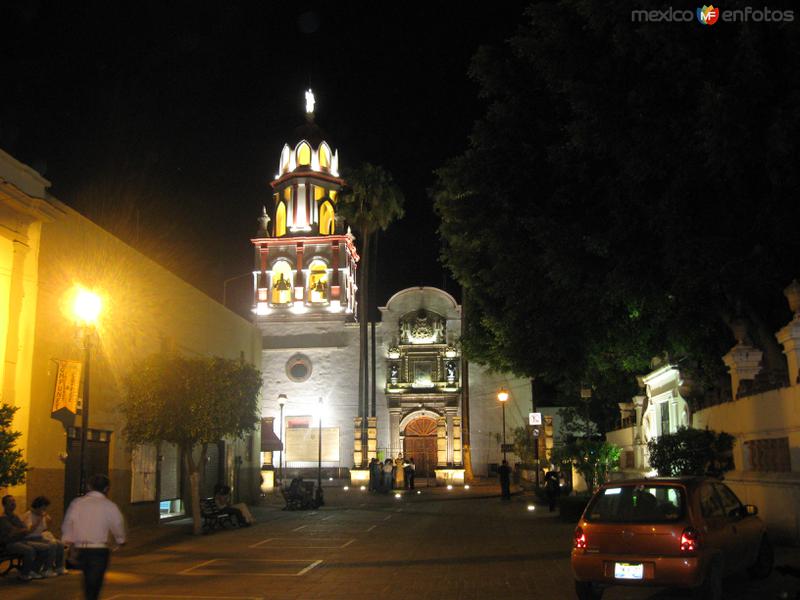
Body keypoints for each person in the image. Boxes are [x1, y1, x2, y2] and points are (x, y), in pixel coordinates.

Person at [62, 474, 126, 599]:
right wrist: (120, 540)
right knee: (95, 582)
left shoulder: (78, 503)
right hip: (98, 549)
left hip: (81, 548)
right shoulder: (108, 505)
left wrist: (68, 541)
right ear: (106, 488)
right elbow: (117, 523)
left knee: (87, 580)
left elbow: (69, 522)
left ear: (89, 486)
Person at [0, 495, 52, 581]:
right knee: (30, 550)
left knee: (46, 548)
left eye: (14, 501)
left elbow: (24, 528)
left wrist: (21, 530)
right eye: (10, 502)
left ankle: (33, 571)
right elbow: (14, 532)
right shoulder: (3, 518)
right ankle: (24, 574)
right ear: (4, 505)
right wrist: (22, 530)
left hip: (21, 541)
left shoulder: (15, 516)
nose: (13, 503)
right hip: (9, 544)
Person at [23, 496, 66, 575]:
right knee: (52, 544)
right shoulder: (28, 515)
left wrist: (47, 520)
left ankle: (59, 567)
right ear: (38, 506)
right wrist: (39, 520)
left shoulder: (41, 515)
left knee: (60, 544)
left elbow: (45, 529)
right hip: (31, 538)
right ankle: (47, 569)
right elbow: (29, 530)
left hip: (40, 537)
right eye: (43, 508)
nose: (44, 510)